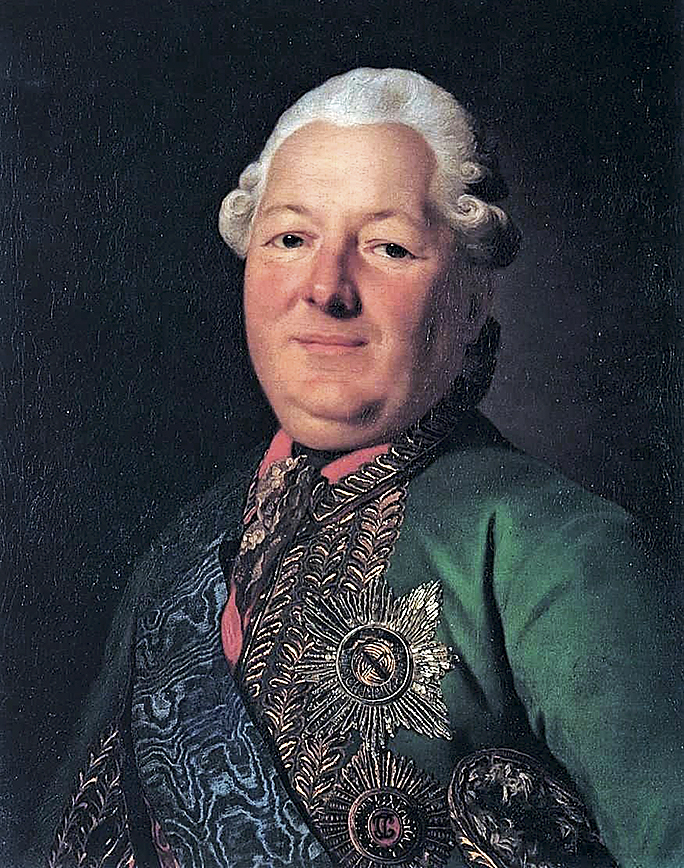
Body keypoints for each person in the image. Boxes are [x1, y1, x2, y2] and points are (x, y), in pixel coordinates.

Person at [38, 68, 682, 868]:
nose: (326, 288)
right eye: (291, 239)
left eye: (388, 248)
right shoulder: (183, 550)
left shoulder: (549, 546)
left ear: (472, 298)